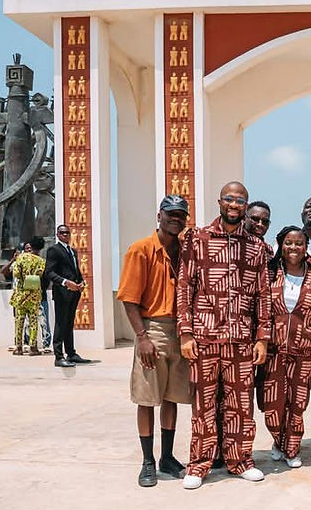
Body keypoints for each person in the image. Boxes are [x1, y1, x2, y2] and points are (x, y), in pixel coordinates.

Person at [177, 182, 270, 487]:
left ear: (246, 205)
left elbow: (262, 294)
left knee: (241, 405)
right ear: (219, 201)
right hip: (204, 336)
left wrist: (261, 337)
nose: (234, 204)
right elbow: (185, 287)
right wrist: (186, 333)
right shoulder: (198, 239)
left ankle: (240, 460)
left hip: (242, 339)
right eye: (229, 199)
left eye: (240, 200)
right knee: (203, 404)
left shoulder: (255, 247)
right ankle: (199, 464)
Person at [117, 195, 193, 488]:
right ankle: (148, 460)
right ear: (159, 216)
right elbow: (129, 299)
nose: (176, 219)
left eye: (181, 215)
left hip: (181, 329)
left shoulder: (185, 249)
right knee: (147, 397)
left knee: (172, 397)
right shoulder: (141, 250)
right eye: (171, 214)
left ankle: (168, 456)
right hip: (153, 328)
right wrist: (142, 337)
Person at [262, 226, 311, 468]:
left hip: (304, 348)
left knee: (298, 402)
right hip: (274, 348)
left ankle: (292, 448)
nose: (294, 248)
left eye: (299, 243)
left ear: (305, 246)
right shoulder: (270, 273)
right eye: (288, 243)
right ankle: (278, 440)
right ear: (281, 244)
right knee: (273, 402)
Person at [44, 224, 90, 367]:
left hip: (74, 293)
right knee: (60, 323)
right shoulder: (54, 250)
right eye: (62, 233)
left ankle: (71, 353)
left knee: (69, 323)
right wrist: (65, 282)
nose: (66, 235)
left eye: (68, 233)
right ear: (58, 235)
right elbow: (49, 272)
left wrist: (81, 282)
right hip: (62, 293)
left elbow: (76, 270)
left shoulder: (73, 251)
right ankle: (58, 356)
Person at [243, 200, 273, 411]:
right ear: (244, 216)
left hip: (262, 332)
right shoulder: (232, 246)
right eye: (255, 219)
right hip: (238, 330)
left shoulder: (269, 252)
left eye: (265, 221)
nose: (260, 224)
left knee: (260, 391)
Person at [9, 241, 46, 356]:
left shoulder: (20, 258)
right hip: (34, 295)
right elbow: (40, 275)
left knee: (19, 321)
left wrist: (23, 278)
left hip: (20, 294)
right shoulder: (41, 261)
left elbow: (15, 274)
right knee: (33, 321)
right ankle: (33, 347)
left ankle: (19, 347)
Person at [29, 236, 53, 353]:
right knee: (44, 320)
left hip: (27, 295)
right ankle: (46, 344)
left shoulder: (24, 261)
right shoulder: (43, 263)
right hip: (41, 294)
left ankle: (29, 342)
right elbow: (47, 279)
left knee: (29, 321)